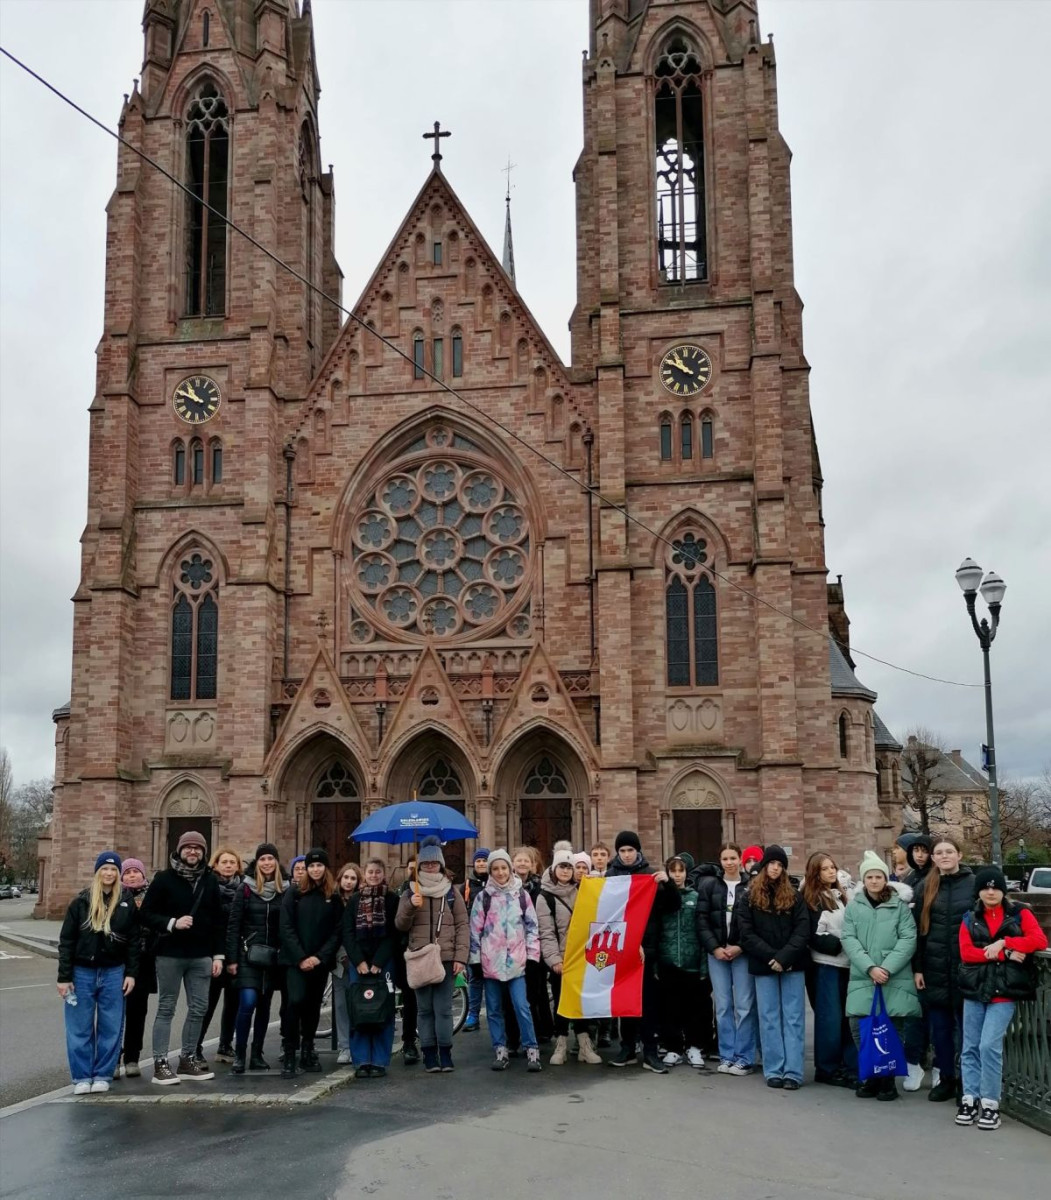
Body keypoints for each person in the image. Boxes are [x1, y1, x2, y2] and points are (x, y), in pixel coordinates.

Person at [956, 865, 1047, 1130]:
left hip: (1004, 991)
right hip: (974, 989)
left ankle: (990, 1103)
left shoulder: (1020, 913)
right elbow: (966, 953)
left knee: (988, 1047)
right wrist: (1003, 954)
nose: (991, 891)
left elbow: (1038, 940)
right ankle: (970, 1098)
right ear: (979, 891)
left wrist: (1006, 941)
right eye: (985, 887)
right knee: (970, 1047)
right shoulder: (969, 917)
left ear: (1003, 890)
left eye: (995, 887)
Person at [140, 830, 226, 1084]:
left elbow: (218, 921)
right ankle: (160, 1063)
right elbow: (145, 914)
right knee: (167, 1007)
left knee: (199, 1007)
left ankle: (188, 1059)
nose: (192, 852)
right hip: (170, 955)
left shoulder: (209, 880)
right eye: (188, 847)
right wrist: (172, 923)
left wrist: (218, 955)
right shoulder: (164, 879)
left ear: (203, 852)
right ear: (179, 850)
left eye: (197, 848)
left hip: (201, 956)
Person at [56, 851, 140, 1095]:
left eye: (113, 869)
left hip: (114, 971)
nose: (109, 873)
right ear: (97, 872)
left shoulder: (126, 902)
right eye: (104, 868)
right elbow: (67, 941)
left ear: (118, 874)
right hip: (82, 972)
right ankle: (82, 1076)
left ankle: (103, 1073)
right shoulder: (80, 902)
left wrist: (131, 973)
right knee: (79, 1028)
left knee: (110, 1026)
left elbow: (134, 942)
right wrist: (64, 977)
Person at [841, 851, 920, 1101]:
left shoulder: (899, 907)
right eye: (870, 877)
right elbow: (848, 938)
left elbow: (908, 938)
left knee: (892, 1027)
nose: (874, 881)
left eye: (879, 876)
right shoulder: (854, 907)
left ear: (886, 879)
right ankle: (871, 1077)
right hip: (864, 975)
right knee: (859, 1025)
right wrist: (869, 967)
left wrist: (886, 967)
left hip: (892, 975)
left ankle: (887, 1080)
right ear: (864, 880)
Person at [605, 830, 680, 1074]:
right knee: (625, 1001)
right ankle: (627, 1048)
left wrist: (667, 884)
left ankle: (650, 1051)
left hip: (647, 949)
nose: (627, 855)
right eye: (622, 850)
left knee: (648, 1002)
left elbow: (672, 906)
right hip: (621, 948)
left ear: (638, 851)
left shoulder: (650, 875)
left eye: (630, 850)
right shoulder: (611, 875)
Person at [735, 845, 809, 1090]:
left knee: (793, 1018)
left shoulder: (795, 896)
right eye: (772, 864)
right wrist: (772, 957)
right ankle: (774, 1069)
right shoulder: (749, 897)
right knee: (768, 1018)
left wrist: (785, 957)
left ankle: (794, 1072)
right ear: (764, 866)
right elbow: (746, 933)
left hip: (792, 964)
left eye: (780, 865)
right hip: (764, 963)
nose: (775, 868)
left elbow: (802, 930)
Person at [395, 836, 469, 1073]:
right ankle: (429, 1054)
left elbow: (462, 925)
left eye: (434, 863)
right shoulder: (410, 891)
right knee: (424, 1010)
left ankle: (445, 1053)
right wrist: (409, 905)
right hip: (419, 958)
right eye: (425, 863)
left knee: (444, 1009)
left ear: (440, 864)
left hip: (446, 958)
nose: (429, 866)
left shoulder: (451, 892)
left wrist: (460, 957)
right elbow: (400, 925)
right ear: (419, 866)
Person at [469, 849, 543, 1072]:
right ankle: (500, 1049)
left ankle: (532, 1049)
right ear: (490, 871)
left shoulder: (522, 895)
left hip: (517, 962)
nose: (500, 873)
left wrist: (532, 957)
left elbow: (532, 927)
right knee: (493, 1009)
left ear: (510, 869)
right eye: (495, 869)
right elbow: (475, 931)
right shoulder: (483, 898)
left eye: (503, 868)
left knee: (522, 1006)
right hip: (490, 962)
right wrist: (475, 961)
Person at [912, 837, 974, 1102]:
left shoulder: (973, 884)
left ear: (959, 855)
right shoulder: (926, 885)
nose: (945, 855)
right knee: (941, 1029)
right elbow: (917, 932)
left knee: (966, 1030)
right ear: (933, 858)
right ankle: (946, 1077)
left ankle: (966, 1082)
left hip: (966, 967)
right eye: (939, 852)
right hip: (935, 967)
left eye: (950, 851)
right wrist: (918, 968)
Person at [280, 847, 342, 1077]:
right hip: (295, 961)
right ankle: (289, 1053)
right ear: (306, 868)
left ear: (326, 868)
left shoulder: (332, 896)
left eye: (319, 865)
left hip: (319, 961)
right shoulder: (294, 893)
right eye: (312, 865)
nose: (315, 869)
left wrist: (319, 957)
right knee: (294, 1002)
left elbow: (337, 931)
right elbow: (285, 927)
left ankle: (307, 1050)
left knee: (313, 1007)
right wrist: (301, 957)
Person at [696, 843, 757, 1076]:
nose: (729, 862)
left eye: (733, 858)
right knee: (722, 1006)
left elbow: (754, 921)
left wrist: (740, 946)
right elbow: (702, 920)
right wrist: (715, 948)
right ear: (720, 861)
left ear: (741, 860)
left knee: (744, 1006)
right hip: (718, 954)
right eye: (725, 858)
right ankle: (726, 1054)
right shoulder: (709, 886)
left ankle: (744, 1057)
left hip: (742, 953)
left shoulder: (750, 887)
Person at [537, 847, 602, 1065]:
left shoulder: (582, 890)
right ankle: (561, 1044)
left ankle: (584, 1045)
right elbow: (546, 932)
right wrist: (554, 960)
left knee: (581, 1002)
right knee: (562, 1000)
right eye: (561, 866)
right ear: (554, 869)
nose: (565, 871)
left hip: (583, 957)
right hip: (561, 959)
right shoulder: (545, 896)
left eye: (568, 867)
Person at [226, 843, 286, 1074]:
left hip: (273, 957)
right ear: (257, 862)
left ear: (276, 861)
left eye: (270, 858)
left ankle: (257, 1055)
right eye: (262, 859)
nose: (267, 863)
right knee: (248, 1001)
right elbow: (234, 925)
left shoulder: (285, 888)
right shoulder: (246, 888)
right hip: (248, 955)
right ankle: (239, 1053)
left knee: (264, 1005)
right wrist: (232, 958)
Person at [802, 851, 857, 1087]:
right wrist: (842, 943)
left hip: (847, 964)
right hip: (825, 965)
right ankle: (827, 1068)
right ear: (815, 872)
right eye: (825, 869)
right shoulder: (810, 898)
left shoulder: (843, 896)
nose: (831, 872)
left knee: (847, 1017)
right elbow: (811, 934)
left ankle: (847, 1065)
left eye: (832, 867)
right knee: (829, 1018)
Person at [343, 857, 400, 1077]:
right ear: (364, 874)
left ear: (383, 874)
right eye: (370, 872)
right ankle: (361, 1060)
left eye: (378, 872)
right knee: (358, 1010)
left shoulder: (392, 899)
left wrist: (378, 962)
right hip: (359, 964)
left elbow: (393, 933)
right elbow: (347, 932)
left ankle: (379, 1060)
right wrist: (359, 961)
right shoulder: (355, 900)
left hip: (383, 964)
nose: (374, 875)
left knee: (382, 1010)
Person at [658, 855, 709, 1070]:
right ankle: (673, 1048)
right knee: (671, 1007)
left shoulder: (696, 897)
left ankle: (695, 1046)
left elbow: (703, 931)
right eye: (673, 871)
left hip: (692, 960)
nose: (677, 875)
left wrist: (705, 964)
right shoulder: (661, 897)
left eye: (681, 871)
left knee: (695, 1007)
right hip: (668, 960)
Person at [197, 846, 243, 1063]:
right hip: (212, 952)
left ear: (238, 867)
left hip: (235, 953)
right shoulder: (207, 886)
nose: (228, 866)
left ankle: (225, 1045)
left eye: (232, 862)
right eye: (224, 862)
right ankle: (195, 1046)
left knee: (233, 1001)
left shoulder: (244, 889)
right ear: (215, 865)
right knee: (207, 1002)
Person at [899, 834, 934, 1089]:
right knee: (915, 1013)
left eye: (924, 851)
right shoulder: (911, 878)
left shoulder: (935, 877)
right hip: (913, 954)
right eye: (916, 851)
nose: (920, 855)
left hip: (932, 952)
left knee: (936, 1016)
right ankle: (914, 1062)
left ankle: (938, 1064)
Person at [512, 844, 553, 1045]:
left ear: (533, 865)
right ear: (512, 863)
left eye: (526, 860)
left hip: (534, 944)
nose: (522, 863)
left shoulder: (540, 887)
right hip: (513, 945)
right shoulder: (507, 886)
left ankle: (541, 1030)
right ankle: (518, 1033)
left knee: (537, 991)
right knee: (517, 994)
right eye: (519, 860)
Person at [117, 857, 154, 1078]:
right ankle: (112, 1058)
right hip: (117, 961)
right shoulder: (115, 896)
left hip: (143, 961)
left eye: (135, 871)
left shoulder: (152, 897)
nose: (132, 875)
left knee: (138, 1011)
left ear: (143, 874)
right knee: (114, 1013)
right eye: (127, 872)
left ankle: (132, 1057)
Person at [331, 862, 362, 1065]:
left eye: (353, 878)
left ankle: (358, 1045)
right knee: (341, 1005)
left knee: (359, 1004)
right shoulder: (333, 901)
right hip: (339, 960)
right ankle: (344, 1047)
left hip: (359, 960)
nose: (349, 881)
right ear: (340, 879)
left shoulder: (362, 901)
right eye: (346, 877)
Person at [460, 847, 490, 1033]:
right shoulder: (467, 886)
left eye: (484, 860)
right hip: (475, 938)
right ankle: (473, 1015)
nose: (481, 863)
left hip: (494, 938)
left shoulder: (495, 883)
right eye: (478, 860)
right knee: (475, 979)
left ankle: (499, 1015)